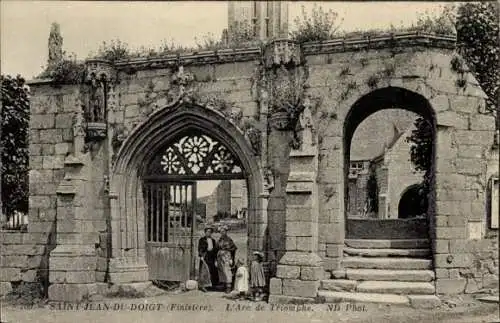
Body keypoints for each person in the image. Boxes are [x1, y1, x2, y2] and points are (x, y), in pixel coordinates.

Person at [217, 225, 237, 293]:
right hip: (220, 257)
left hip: (227, 256)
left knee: (227, 270)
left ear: (226, 232)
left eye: (223, 231)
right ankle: (224, 284)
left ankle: (229, 286)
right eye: (221, 232)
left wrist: (231, 258)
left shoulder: (229, 240)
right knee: (221, 270)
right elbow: (217, 248)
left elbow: (233, 248)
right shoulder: (220, 239)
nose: (222, 233)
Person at [198, 227, 218, 291]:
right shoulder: (202, 240)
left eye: (210, 232)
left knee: (212, 270)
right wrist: (201, 256)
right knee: (204, 270)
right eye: (207, 232)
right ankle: (203, 286)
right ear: (205, 232)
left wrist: (215, 259)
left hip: (211, 256)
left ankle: (211, 285)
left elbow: (215, 250)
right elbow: (200, 248)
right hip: (205, 256)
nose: (208, 233)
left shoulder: (213, 240)